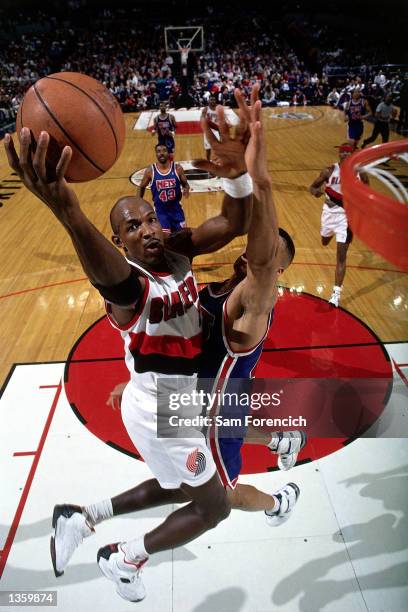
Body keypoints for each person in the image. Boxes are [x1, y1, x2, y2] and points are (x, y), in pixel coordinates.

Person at [3, 99, 252, 603]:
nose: (146, 230)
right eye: (132, 228)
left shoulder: (175, 249)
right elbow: (100, 267)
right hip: (162, 404)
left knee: (184, 484)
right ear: (119, 242)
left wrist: (238, 175)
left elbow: (233, 222)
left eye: (148, 219)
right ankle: (124, 557)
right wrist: (66, 209)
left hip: (175, 398)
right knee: (213, 507)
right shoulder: (126, 284)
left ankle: (83, 516)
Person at [309, 143, 369, 307]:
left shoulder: (359, 173)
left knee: (341, 256)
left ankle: (335, 294)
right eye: (341, 152)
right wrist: (319, 192)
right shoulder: (329, 171)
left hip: (346, 217)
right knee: (324, 241)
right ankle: (329, 234)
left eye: (346, 153)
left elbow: (367, 192)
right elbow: (312, 188)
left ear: (352, 156)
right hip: (329, 213)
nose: (343, 155)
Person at [138, 144, 190, 234]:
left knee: (182, 238)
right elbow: (141, 187)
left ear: (168, 153)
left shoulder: (177, 168)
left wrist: (186, 189)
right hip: (161, 212)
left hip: (176, 211)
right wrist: (138, 202)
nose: (161, 153)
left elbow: (185, 184)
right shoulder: (150, 171)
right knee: (165, 239)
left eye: (164, 151)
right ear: (156, 154)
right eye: (158, 151)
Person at [201, 95, 220, 161]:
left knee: (217, 149)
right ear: (208, 100)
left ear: (215, 100)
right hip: (208, 132)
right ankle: (208, 162)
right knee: (208, 150)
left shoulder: (219, 109)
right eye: (211, 99)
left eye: (213, 100)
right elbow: (202, 119)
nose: (212, 101)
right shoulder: (205, 109)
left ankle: (217, 163)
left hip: (216, 131)